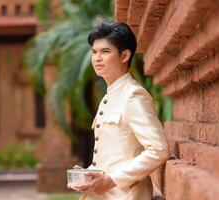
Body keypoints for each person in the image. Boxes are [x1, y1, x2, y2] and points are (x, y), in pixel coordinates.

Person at [68, 22, 170, 200]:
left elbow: (158, 149)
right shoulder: (110, 96)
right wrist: (89, 176)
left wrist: (110, 180)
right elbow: (115, 155)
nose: (97, 58)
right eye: (94, 52)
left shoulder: (133, 96)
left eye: (105, 52)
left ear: (124, 55)